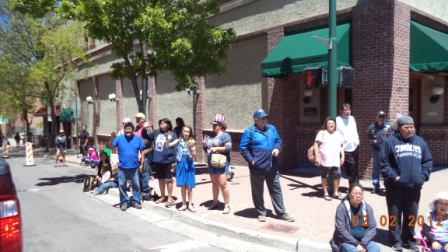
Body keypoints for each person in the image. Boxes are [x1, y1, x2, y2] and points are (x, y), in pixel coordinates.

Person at [380, 115, 433, 252]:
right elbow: (383, 163)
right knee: (394, 215)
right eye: (406, 127)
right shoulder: (390, 142)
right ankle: (395, 241)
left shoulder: (420, 142)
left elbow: (427, 161)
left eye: (411, 127)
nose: (410, 130)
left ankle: (408, 240)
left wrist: (422, 177)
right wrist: (393, 177)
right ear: (399, 128)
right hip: (395, 188)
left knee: (411, 216)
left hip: (414, 188)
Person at [240, 109, 294, 222]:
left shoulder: (272, 129)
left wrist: (277, 148)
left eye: (266, 118)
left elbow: (279, 141)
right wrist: (251, 160)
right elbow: (243, 148)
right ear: (256, 119)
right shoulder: (249, 132)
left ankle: (282, 213)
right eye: (262, 118)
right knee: (258, 191)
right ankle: (261, 212)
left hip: (272, 166)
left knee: (276, 190)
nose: (265, 120)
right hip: (257, 168)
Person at [330, 183, 380, 252]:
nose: (358, 196)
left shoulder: (367, 208)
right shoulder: (342, 208)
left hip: (364, 241)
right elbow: (340, 229)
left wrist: (363, 243)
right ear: (349, 194)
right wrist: (356, 244)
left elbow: (372, 227)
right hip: (346, 241)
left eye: (360, 194)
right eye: (355, 193)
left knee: (375, 248)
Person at [142, 118, 178, 206]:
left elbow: (175, 148)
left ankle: (170, 197)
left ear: (168, 125)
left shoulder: (172, 134)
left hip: (168, 161)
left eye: (164, 123)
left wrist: (174, 160)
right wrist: (144, 129)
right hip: (157, 160)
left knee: (168, 180)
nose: (161, 124)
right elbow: (146, 136)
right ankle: (162, 196)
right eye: (160, 122)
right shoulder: (156, 132)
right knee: (160, 179)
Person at [112, 122, 145, 211]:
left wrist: (142, 164)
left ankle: (136, 201)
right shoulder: (119, 139)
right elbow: (111, 146)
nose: (128, 131)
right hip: (122, 168)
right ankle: (124, 202)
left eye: (129, 129)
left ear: (133, 130)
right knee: (122, 185)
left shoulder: (138, 139)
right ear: (124, 130)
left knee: (136, 185)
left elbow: (142, 152)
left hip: (134, 168)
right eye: (126, 129)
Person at [202, 114, 231, 214]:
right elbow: (207, 150)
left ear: (221, 126)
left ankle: (227, 205)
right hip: (212, 163)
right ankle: (215, 202)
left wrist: (216, 148)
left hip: (221, 163)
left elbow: (228, 148)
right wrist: (205, 146)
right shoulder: (212, 137)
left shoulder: (225, 136)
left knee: (223, 184)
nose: (213, 126)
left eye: (215, 125)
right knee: (214, 184)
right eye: (213, 124)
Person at [313, 117, 345, 201]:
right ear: (326, 125)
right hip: (325, 158)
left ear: (335, 126)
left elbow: (341, 146)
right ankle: (325, 192)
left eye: (333, 124)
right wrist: (316, 157)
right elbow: (316, 145)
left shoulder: (338, 134)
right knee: (324, 174)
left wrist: (343, 156)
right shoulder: (322, 133)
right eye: (329, 123)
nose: (331, 125)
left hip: (335, 158)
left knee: (338, 174)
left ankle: (335, 192)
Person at [169, 125, 197, 212]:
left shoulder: (191, 141)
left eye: (188, 132)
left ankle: (190, 204)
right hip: (181, 163)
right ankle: (184, 204)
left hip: (188, 163)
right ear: (182, 132)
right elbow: (167, 145)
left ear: (190, 133)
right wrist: (169, 139)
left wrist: (192, 150)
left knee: (189, 186)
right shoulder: (179, 140)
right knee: (182, 186)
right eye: (185, 131)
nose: (186, 133)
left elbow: (195, 155)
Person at [366, 111, 393, 194]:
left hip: (386, 152)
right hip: (376, 151)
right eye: (380, 117)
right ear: (376, 117)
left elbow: (394, 135)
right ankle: (375, 186)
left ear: (385, 118)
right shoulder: (372, 127)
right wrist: (372, 141)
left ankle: (388, 186)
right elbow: (368, 134)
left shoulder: (389, 127)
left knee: (387, 169)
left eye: (383, 117)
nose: (381, 118)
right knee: (376, 169)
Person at [336, 103, 360, 185]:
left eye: (349, 110)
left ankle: (355, 185)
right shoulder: (337, 120)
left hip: (355, 146)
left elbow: (355, 131)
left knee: (355, 166)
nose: (347, 112)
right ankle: (353, 185)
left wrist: (357, 141)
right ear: (341, 111)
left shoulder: (352, 118)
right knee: (351, 166)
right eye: (345, 110)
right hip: (345, 148)